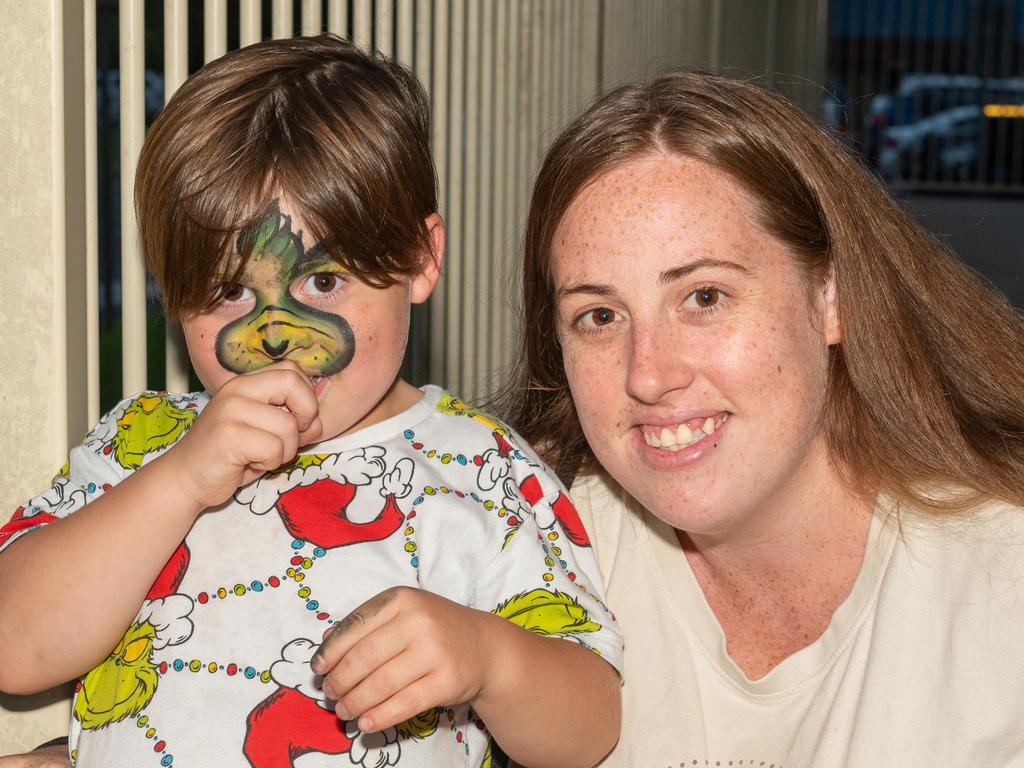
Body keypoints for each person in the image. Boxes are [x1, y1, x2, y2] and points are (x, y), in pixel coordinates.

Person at [0, 35, 622, 768]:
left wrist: (492, 659)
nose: (273, 337)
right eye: (228, 293)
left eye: (325, 282)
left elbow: (592, 727)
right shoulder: (142, 442)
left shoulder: (484, 470)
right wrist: (178, 480)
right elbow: (16, 647)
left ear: (422, 260)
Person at [499, 69, 1024, 766]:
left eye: (705, 297)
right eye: (599, 316)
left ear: (830, 298)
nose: (648, 374)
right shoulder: (533, 553)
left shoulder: (1000, 580)